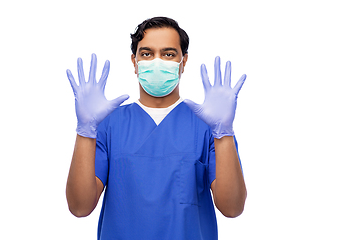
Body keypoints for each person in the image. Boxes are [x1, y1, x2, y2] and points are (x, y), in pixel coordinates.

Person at [66, 16, 247, 240]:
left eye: (168, 54)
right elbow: (80, 207)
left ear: (184, 61)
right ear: (134, 62)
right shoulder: (107, 125)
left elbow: (232, 208)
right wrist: (85, 131)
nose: (157, 61)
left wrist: (224, 134)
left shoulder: (209, 127)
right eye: (147, 54)